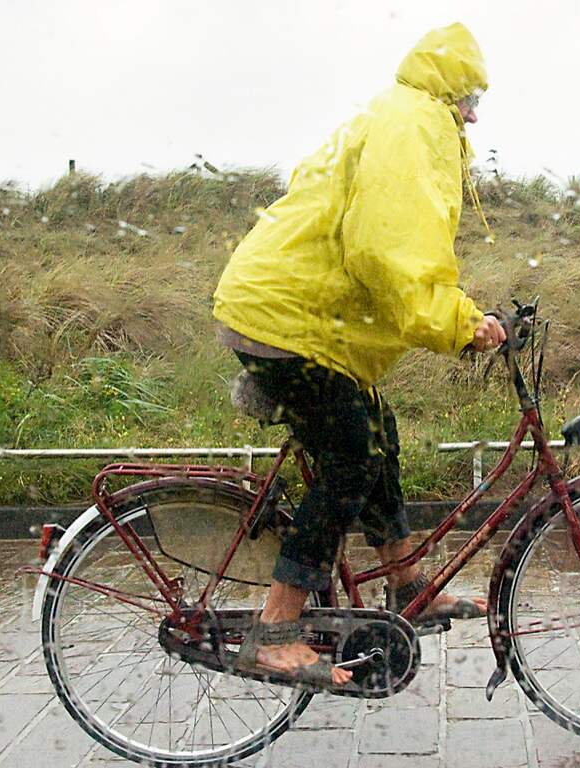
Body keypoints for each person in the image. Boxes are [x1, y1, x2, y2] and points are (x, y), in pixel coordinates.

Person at [212, 22, 505, 688]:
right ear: (447, 87)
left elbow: (393, 249)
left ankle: (408, 587)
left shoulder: (409, 116)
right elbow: (391, 251)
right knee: (347, 453)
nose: (476, 110)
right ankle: (278, 631)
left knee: (378, 430)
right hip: (284, 319)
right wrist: (460, 323)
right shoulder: (414, 126)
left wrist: (461, 315)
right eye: (471, 93)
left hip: (298, 313)